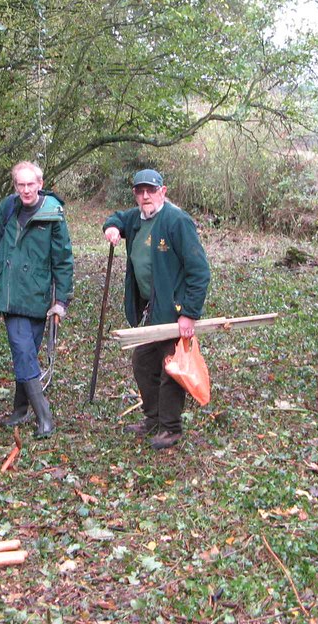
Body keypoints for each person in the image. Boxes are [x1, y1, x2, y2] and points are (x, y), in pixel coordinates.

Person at [103, 168, 210, 451]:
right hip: (149, 309)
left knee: (170, 368)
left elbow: (199, 271)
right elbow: (117, 218)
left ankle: (170, 428)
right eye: (140, 191)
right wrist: (112, 228)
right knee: (142, 363)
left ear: (162, 191)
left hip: (173, 311)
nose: (146, 195)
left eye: (151, 190)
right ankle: (153, 419)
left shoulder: (177, 221)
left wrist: (189, 313)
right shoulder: (137, 218)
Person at [0, 161, 73, 437]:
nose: (25, 190)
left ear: (40, 184)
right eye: (20, 184)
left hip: (38, 294)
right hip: (10, 294)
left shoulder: (53, 214)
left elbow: (63, 259)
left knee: (27, 353)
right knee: (23, 350)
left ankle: (20, 411)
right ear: (15, 186)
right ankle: (44, 416)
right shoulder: (7, 208)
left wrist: (61, 300)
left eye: (30, 184)